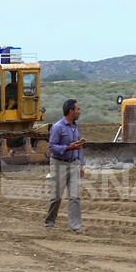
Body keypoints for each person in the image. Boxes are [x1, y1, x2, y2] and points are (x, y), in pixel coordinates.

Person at [45, 99, 85, 233]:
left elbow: (78, 147)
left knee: (75, 196)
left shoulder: (76, 126)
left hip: (73, 164)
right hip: (59, 164)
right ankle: (50, 222)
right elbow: (51, 147)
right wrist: (68, 148)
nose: (80, 111)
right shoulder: (57, 127)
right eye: (78, 109)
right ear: (71, 111)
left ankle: (75, 226)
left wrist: (81, 164)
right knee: (56, 197)